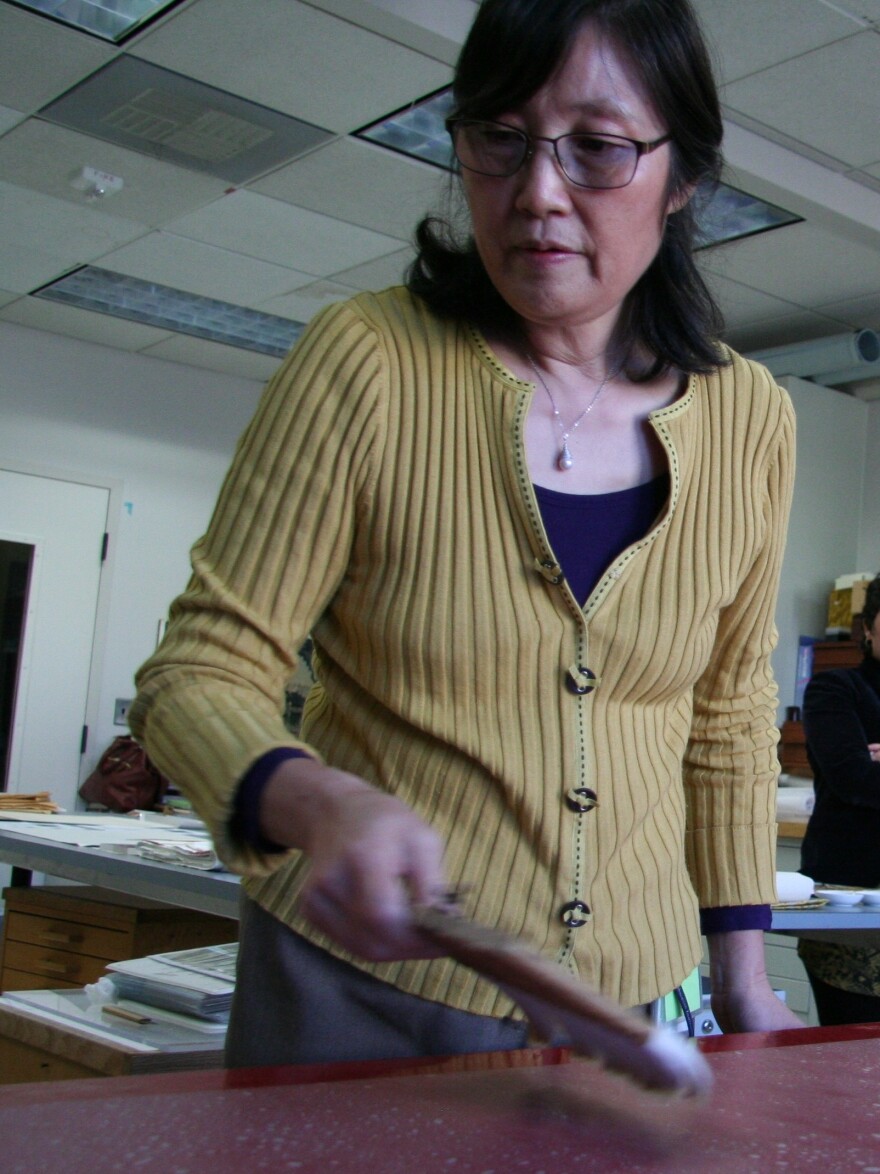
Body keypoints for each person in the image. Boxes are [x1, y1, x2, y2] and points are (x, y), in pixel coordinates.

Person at [129, 0, 802, 1068]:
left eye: (597, 148)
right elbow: (197, 670)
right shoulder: (367, 362)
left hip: (629, 1008)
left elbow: (727, 712)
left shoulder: (752, 417)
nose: (537, 192)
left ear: (681, 181)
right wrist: (309, 795)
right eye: (500, 137)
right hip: (353, 996)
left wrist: (742, 977)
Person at [799, 573, 880, 1025]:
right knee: (852, 1065)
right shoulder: (835, 689)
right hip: (854, 905)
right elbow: (854, 778)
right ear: (867, 628)